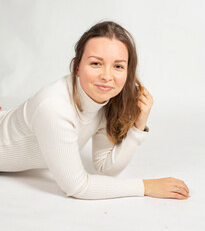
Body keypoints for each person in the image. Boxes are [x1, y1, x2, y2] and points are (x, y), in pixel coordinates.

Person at [0, 20, 189, 200]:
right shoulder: (53, 107)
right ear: (77, 67)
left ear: (128, 72)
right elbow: (77, 187)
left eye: (118, 66)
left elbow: (106, 167)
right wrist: (146, 187)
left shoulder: (104, 101)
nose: (107, 76)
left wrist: (138, 128)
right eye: (96, 63)